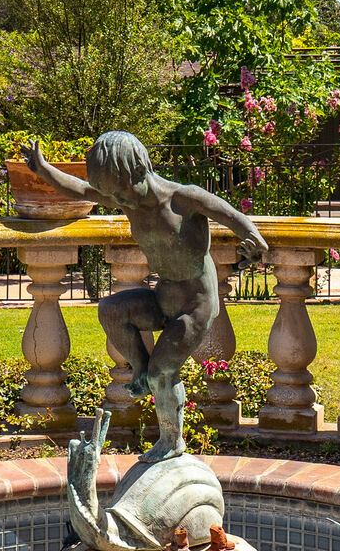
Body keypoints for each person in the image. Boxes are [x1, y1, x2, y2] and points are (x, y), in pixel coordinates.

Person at [21, 131, 268, 462]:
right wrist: (42, 168)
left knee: (162, 371)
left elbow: (237, 220)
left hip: (197, 303)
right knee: (111, 310)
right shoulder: (127, 198)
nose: (122, 201)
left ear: (139, 170)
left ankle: (172, 440)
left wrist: (254, 241)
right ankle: (139, 368)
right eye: (114, 196)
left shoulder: (185, 199)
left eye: (122, 191)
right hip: (164, 294)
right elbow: (80, 189)